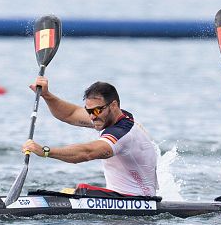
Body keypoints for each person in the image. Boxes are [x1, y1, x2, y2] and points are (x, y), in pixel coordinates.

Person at [21, 78, 158, 196]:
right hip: (119, 198)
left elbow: (87, 153)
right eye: (88, 111)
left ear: (114, 105)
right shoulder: (111, 117)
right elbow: (70, 114)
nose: (92, 116)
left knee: (82, 190)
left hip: (137, 200)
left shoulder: (121, 133)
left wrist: (45, 151)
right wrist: (47, 95)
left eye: (97, 110)